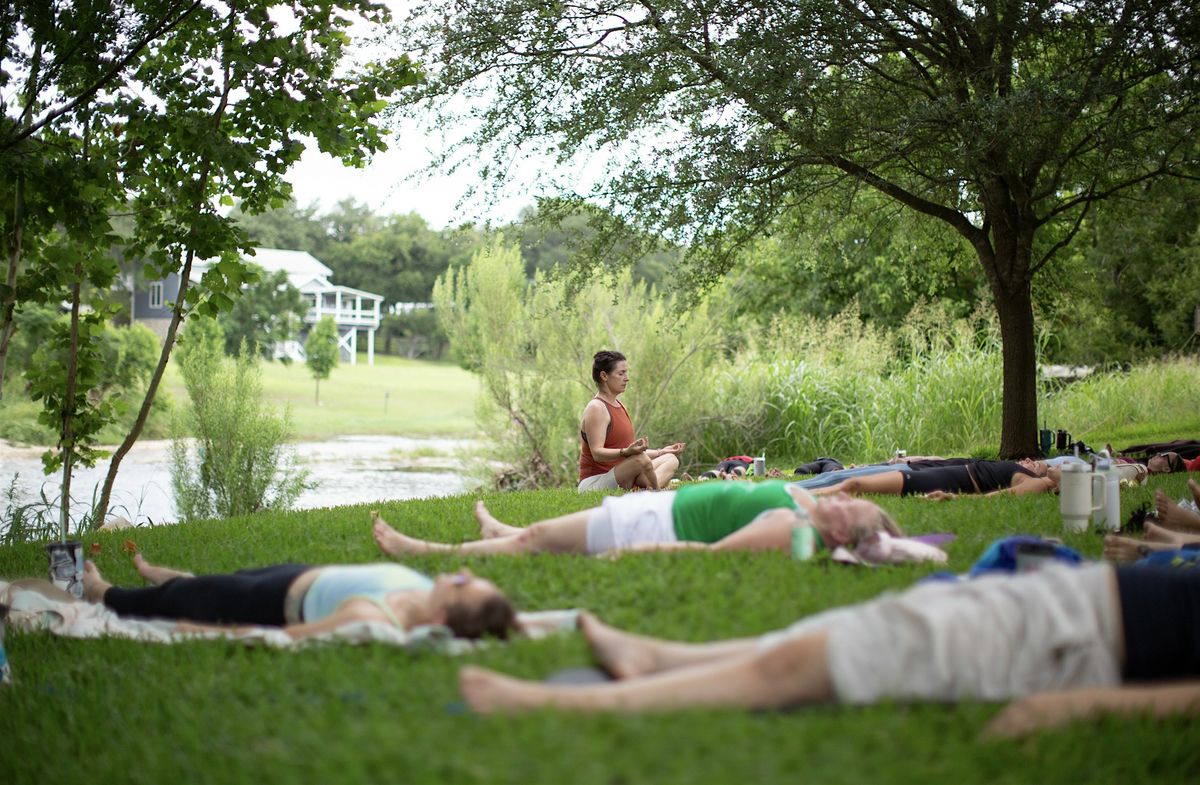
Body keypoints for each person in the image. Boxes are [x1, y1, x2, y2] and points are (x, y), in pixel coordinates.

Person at [457, 564, 1200, 739]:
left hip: (1088, 635)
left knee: (814, 661)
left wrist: (1077, 707)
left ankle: (561, 703)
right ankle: (660, 655)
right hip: (1080, 598)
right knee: (859, 621)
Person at [372, 480, 901, 558]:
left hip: (655, 526)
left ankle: (426, 551)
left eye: (846, 509)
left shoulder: (795, 529)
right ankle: (500, 532)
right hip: (658, 507)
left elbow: (712, 553)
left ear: (838, 533)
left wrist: (639, 551)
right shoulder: (808, 506)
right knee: (538, 535)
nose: (840, 500)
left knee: (538, 538)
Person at [81, 550, 518, 641]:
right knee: (209, 583)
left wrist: (190, 631)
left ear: (440, 619)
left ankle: (100, 591)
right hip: (300, 574)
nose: (463, 573)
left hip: (267, 600)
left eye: (465, 584)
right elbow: (508, 621)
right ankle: (174, 579)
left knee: (179, 600)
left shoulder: (374, 617)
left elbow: (280, 637)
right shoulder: (433, 597)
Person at [577, 350, 685, 491]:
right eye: (621, 373)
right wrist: (625, 452)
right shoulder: (596, 408)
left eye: (626, 373)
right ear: (604, 376)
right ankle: (655, 491)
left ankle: (646, 490)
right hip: (594, 483)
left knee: (670, 459)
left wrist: (661, 452)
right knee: (640, 460)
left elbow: (631, 453)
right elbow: (597, 453)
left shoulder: (620, 406)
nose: (626, 378)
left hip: (623, 474)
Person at [809, 459, 1059, 499]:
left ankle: (799, 497)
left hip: (948, 482)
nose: (1060, 465)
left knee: (855, 485)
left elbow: (996, 498)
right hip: (945, 473)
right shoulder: (1036, 476)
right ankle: (801, 495)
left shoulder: (1038, 484)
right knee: (852, 484)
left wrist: (951, 498)